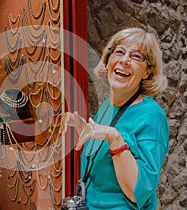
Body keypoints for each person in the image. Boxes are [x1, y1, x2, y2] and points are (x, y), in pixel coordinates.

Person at [62, 27, 169, 210]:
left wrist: (115, 138)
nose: (125, 60)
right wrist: (80, 124)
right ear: (107, 61)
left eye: (136, 56)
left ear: (147, 72)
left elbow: (137, 194)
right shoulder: (108, 106)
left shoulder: (152, 116)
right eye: (119, 52)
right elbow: (101, 151)